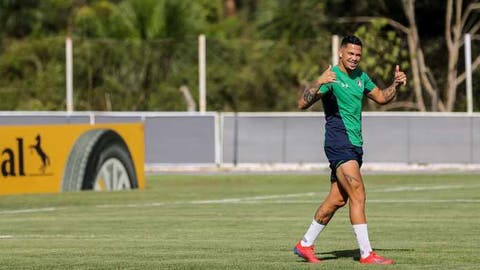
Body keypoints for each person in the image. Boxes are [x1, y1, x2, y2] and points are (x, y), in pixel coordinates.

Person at [293, 35, 407, 265]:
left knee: (337, 200)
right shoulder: (331, 78)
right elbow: (302, 103)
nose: (354, 58)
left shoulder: (361, 77)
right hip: (339, 142)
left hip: (355, 145)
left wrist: (395, 84)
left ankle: (305, 244)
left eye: (358, 55)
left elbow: (382, 98)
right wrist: (318, 81)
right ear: (341, 53)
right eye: (351, 54)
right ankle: (366, 253)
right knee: (358, 193)